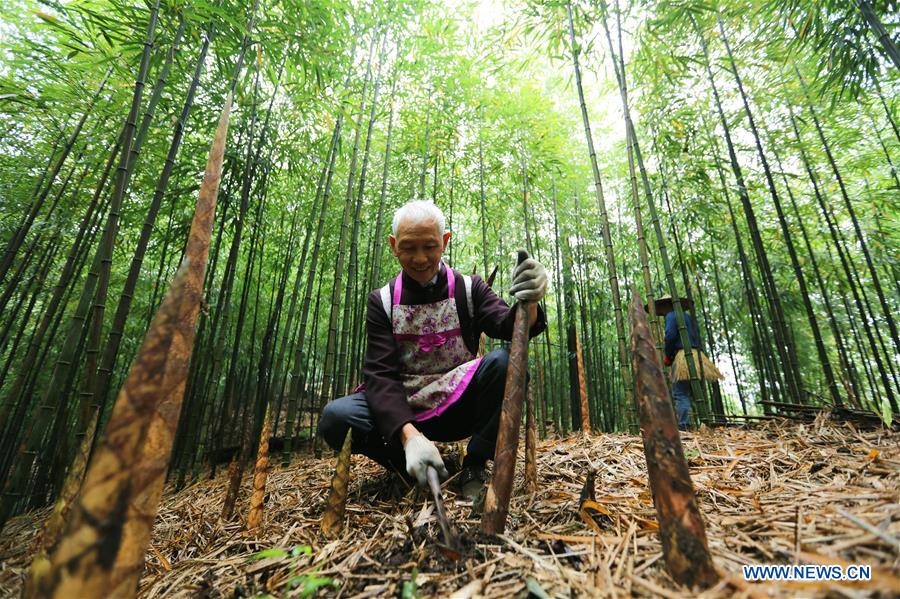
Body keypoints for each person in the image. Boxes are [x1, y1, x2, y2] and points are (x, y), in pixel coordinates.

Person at [318, 200, 548, 499]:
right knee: (336, 418)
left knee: (506, 363)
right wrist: (409, 437)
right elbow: (380, 375)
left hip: (458, 406)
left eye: (429, 246)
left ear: (445, 241)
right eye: (408, 247)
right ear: (393, 245)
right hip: (402, 409)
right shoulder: (382, 301)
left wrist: (530, 301)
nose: (420, 258)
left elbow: (509, 327)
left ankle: (475, 464)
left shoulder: (469, 289)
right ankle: (409, 467)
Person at [655, 295, 722, 430]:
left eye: (662, 307)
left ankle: (684, 425)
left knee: (680, 393)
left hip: (682, 357)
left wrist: (668, 356)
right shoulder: (688, 317)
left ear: (667, 305)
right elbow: (698, 337)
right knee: (698, 393)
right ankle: (707, 423)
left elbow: (670, 336)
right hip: (697, 357)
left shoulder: (671, 315)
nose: (661, 311)